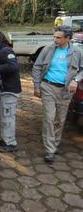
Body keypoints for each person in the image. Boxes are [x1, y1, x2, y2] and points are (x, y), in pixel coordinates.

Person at [32, 25, 83, 164]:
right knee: (49, 118)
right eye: (54, 37)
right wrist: (37, 85)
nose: (55, 40)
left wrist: (75, 80)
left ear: (67, 38)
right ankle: (49, 149)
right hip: (48, 87)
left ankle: (54, 143)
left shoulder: (77, 52)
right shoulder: (48, 49)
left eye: (58, 38)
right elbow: (36, 67)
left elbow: (81, 70)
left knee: (60, 119)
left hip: (65, 91)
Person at [0, 31, 22, 153]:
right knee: (2, 116)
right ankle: (2, 138)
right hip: (3, 90)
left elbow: (13, 66)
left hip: (9, 91)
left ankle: (11, 143)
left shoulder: (6, 50)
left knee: (8, 117)